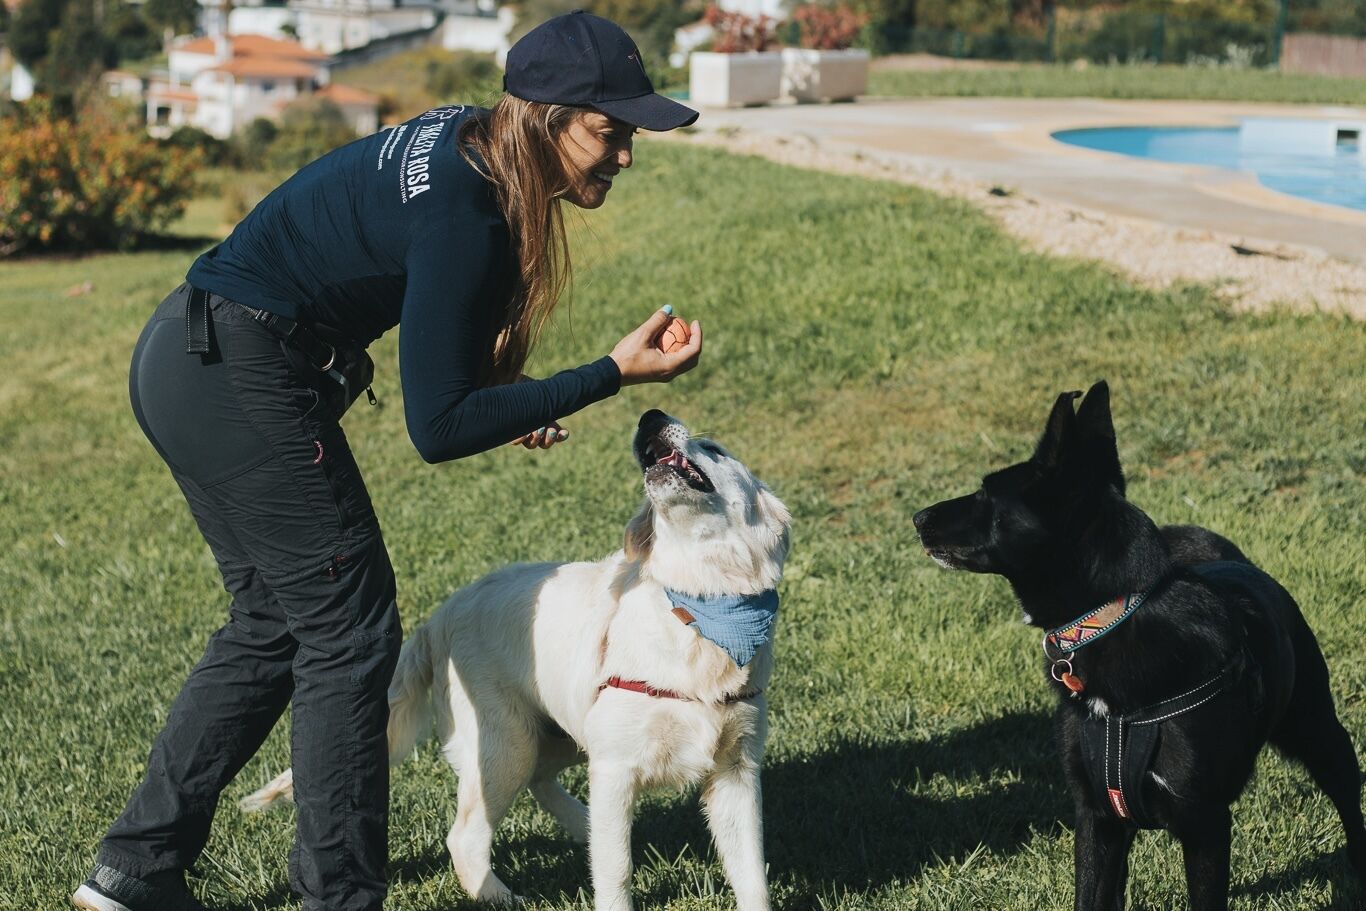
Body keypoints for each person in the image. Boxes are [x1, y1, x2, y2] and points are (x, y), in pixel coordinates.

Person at [72, 12, 701, 911]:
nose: (625, 155)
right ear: (549, 116)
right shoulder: (468, 211)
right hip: (239, 370)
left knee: (275, 621)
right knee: (350, 626)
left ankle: (136, 866)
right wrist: (609, 373)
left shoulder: (462, 140)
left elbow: (439, 355)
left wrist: (498, 392)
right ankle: (341, 897)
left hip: (186, 353)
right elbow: (437, 427)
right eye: (610, 130)